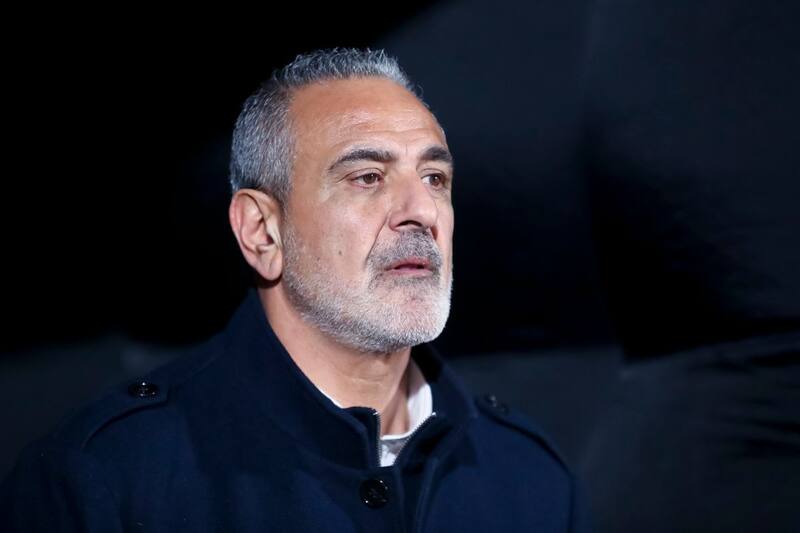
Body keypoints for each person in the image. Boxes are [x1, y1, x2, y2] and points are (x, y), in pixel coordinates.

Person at [2, 49, 591, 532]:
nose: (421, 212)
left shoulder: (532, 478)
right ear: (262, 231)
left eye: (435, 178)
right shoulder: (104, 480)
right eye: (367, 177)